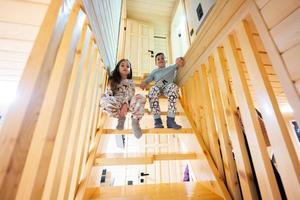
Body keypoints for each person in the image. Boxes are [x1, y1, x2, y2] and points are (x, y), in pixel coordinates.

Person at [100, 59, 146, 138]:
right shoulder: (113, 80)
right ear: (118, 68)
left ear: (130, 70)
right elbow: (109, 92)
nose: (125, 67)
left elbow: (131, 93)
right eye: (122, 65)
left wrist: (125, 104)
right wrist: (106, 99)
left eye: (128, 66)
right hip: (116, 103)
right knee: (104, 100)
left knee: (141, 97)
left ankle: (135, 121)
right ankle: (121, 118)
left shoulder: (130, 82)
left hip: (128, 103)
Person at [140, 53, 184, 129]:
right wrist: (145, 82)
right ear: (156, 63)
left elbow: (179, 63)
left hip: (168, 87)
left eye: (162, 58)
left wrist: (179, 60)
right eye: (158, 59)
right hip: (158, 88)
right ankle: (157, 121)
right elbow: (149, 78)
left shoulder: (171, 67)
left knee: (174, 87)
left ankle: (170, 120)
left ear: (165, 60)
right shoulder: (155, 71)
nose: (160, 60)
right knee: (153, 89)